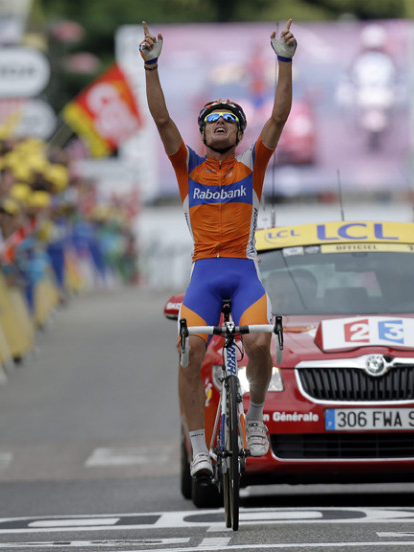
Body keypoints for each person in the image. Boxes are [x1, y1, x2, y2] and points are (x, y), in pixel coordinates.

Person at [140, 19, 298, 480]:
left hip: (244, 273)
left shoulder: (253, 163)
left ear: (239, 133)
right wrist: (151, 66)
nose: (222, 126)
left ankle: (254, 420)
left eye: (230, 122)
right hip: (204, 274)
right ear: (204, 134)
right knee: (189, 351)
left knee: (259, 340)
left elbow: (280, 116)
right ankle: (198, 451)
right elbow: (162, 120)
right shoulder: (187, 166)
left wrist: (283, 59)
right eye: (213, 122)